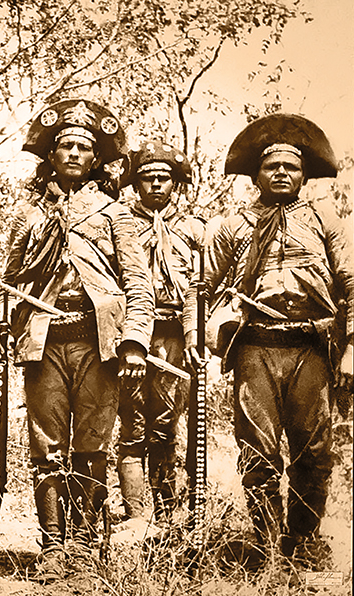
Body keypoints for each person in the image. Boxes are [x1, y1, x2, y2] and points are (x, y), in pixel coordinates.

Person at [183, 114, 353, 570]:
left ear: (304, 175)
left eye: (291, 167)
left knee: (314, 451)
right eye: (271, 166)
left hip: (311, 348)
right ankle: (265, 543)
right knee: (257, 451)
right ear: (256, 175)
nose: (281, 173)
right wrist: (197, 337)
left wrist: (352, 347)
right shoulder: (234, 224)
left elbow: (351, 282)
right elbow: (200, 287)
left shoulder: (325, 219)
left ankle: (303, 539)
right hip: (255, 347)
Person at [2, 99, 154, 578]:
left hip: (97, 343)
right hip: (43, 340)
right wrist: (1, 320)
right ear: (52, 154)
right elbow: (10, 279)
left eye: (83, 147)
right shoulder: (28, 212)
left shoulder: (115, 213)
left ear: (95, 159)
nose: (72, 153)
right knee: (46, 445)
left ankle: (86, 546)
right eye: (64, 145)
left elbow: (137, 282)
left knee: (91, 443)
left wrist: (134, 340)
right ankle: (52, 546)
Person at [115, 142, 204, 529]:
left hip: (173, 336)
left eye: (163, 178)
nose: (154, 185)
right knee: (132, 425)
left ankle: (168, 518)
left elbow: (199, 289)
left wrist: (192, 337)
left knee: (167, 425)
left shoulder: (193, 229)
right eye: (146, 178)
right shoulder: (119, 223)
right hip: (131, 338)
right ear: (135, 183)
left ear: (175, 184)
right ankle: (136, 517)